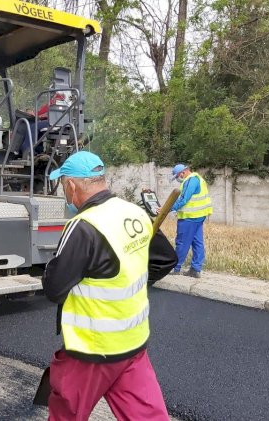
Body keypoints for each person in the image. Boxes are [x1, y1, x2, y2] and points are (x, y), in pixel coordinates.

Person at [41, 151, 177, 420]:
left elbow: (54, 288)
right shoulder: (134, 212)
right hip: (133, 347)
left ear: (71, 186)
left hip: (90, 352)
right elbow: (165, 259)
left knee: (66, 415)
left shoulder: (83, 225)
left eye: (63, 186)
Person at [169, 164, 213, 278]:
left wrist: (168, 207)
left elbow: (184, 199)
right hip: (199, 216)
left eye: (178, 176)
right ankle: (195, 269)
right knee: (197, 242)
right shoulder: (198, 178)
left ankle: (176, 268)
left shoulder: (190, 180)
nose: (178, 179)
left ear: (182, 173)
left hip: (190, 217)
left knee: (182, 242)